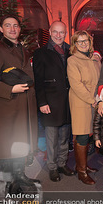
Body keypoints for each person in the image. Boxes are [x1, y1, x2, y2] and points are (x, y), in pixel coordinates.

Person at [0, 15, 38, 185]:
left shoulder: (22, 48)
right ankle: (11, 182)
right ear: (1, 29)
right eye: (8, 25)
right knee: (9, 145)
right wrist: (10, 89)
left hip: (25, 105)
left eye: (15, 26)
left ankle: (19, 175)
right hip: (9, 105)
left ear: (20, 28)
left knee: (21, 141)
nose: (12, 29)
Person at [33, 21, 74, 182]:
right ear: (50, 32)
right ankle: (52, 167)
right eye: (55, 32)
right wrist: (42, 102)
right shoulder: (41, 53)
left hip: (67, 102)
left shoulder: (70, 50)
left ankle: (62, 163)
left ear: (66, 34)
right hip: (50, 102)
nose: (58, 35)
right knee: (52, 139)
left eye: (62, 32)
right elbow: (38, 79)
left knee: (65, 137)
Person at [67, 30, 99, 185]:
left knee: (90, 135)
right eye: (80, 41)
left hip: (94, 101)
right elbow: (76, 84)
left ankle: (85, 165)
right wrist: (91, 99)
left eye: (86, 40)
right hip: (81, 102)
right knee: (82, 136)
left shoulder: (94, 59)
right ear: (75, 44)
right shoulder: (72, 60)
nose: (84, 43)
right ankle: (81, 172)